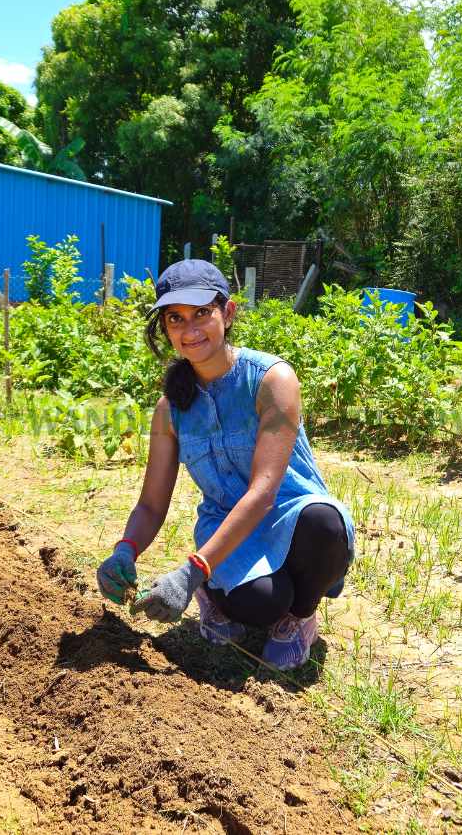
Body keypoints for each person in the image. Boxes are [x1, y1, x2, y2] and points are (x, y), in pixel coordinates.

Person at [95, 259, 355, 671]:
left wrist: (192, 569)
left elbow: (264, 492)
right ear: (165, 329)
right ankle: (218, 598)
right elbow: (150, 505)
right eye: (175, 319)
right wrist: (124, 551)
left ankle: (300, 616)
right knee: (261, 604)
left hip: (290, 514)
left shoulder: (272, 379)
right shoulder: (171, 410)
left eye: (202, 313)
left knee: (326, 525)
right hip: (225, 524)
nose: (190, 329)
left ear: (228, 313)